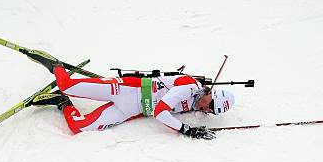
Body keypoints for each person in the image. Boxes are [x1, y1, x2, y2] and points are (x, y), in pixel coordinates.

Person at [34, 63, 235, 139]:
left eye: (211, 111)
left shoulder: (194, 102)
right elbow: (161, 111)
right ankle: (55, 66)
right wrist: (186, 130)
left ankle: (62, 102)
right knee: (67, 84)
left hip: (129, 110)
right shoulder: (190, 87)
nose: (206, 109)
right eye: (209, 104)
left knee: (78, 127)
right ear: (211, 93)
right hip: (126, 90)